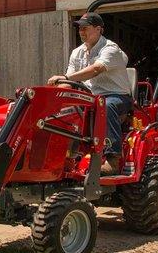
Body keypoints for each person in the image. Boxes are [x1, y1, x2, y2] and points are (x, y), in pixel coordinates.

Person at [47, 12, 133, 175]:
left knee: (106, 106)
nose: (81, 31)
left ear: (99, 29)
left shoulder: (110, 49)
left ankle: (112, 159)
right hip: (89, 97)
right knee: (66, 112)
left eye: (85, 28)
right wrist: (53, 98)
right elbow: (69, 83)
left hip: (116, 96)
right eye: (79, 28)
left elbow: (95, 69)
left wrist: (64, 77)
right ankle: (66, 159)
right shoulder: (77, 53)